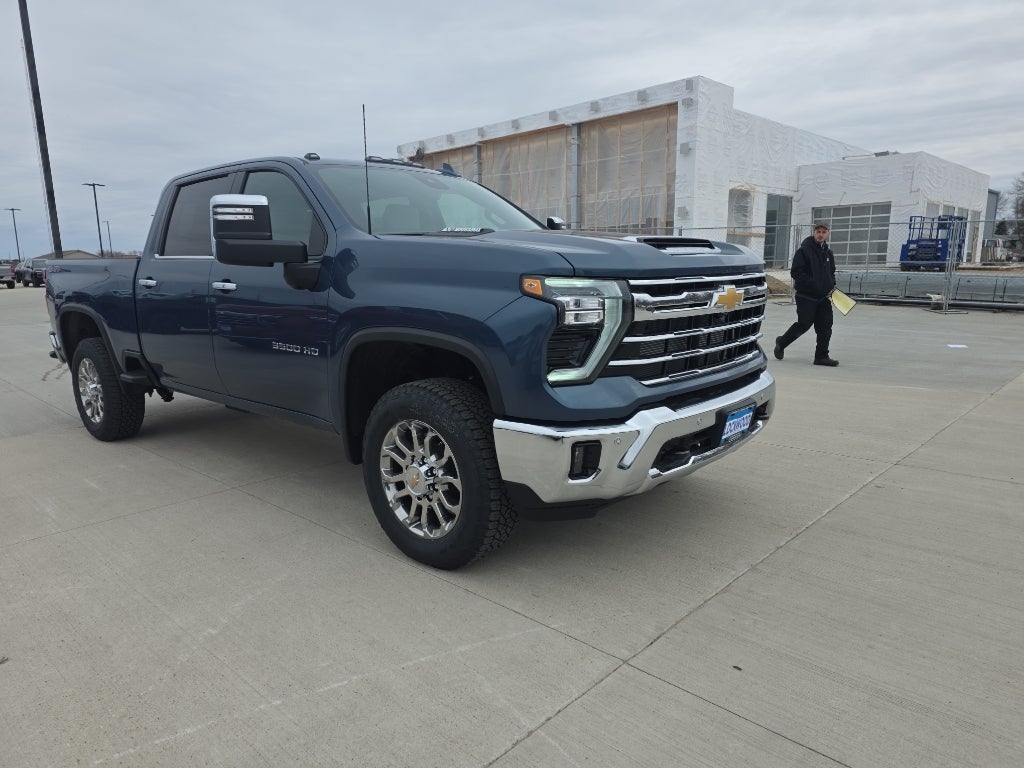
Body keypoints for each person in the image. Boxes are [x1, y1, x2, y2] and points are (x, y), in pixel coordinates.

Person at [774, 222, 839, 366]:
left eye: (824, 231)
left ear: (827, 233)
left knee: (825, 327)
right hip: (807, 296)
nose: (821, 234)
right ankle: (782, 342)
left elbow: (832, 272)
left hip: (824, 297)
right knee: (804, 324)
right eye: (818, 231)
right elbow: (796, 272)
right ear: (813, 232)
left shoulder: (828, 253)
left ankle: (821, 357)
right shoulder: (804, 250)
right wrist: (813, 284)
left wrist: (831, 285)